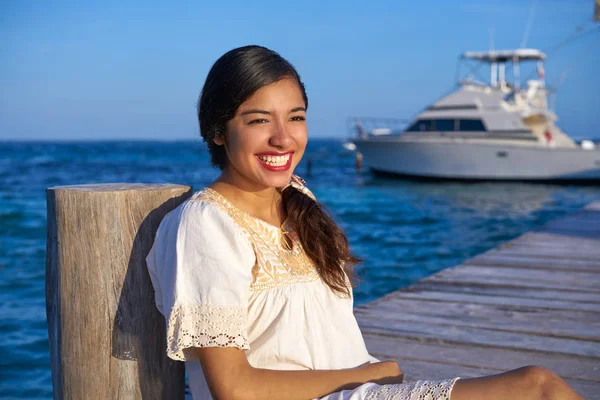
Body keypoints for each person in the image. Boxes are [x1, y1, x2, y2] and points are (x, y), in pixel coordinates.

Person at [146, 45, 584, 400]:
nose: (284, 137)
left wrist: (366, 377)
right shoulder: (206, 224)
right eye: (259, 120)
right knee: (536, 388)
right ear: (219, 132)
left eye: (296, 117)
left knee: (539, 386)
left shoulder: (297, 200)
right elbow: (235, 389)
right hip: (347, 391)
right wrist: (362, 374)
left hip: (360, 390)